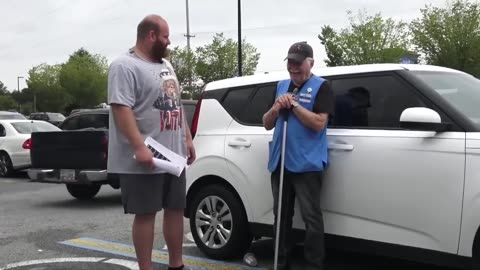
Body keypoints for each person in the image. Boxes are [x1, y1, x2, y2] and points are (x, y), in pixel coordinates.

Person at [107, 14, 196, 270]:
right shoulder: (124, 66)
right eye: (166, 36)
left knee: (176, 209)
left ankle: (176, 265)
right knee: (146, 214)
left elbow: (176, 105)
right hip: (146, 156)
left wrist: (187, 138)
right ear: (151, 36)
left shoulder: (166, 64)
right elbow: (120, 108)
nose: (169, 42)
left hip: (173, 155)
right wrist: (138, 146)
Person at [262, 41, 334, 270]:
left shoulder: (322, 87)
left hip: (307, 164)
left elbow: (319, 123)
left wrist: (293, 106)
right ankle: (280, 262)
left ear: (310, 63)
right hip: (280, 161)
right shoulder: (280, 86)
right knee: (281, 216)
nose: (293, 68)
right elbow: (266, 123)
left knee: (311, 218)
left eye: (298, 63)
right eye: (290, 62)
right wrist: (276, 108)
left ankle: (314, 264)